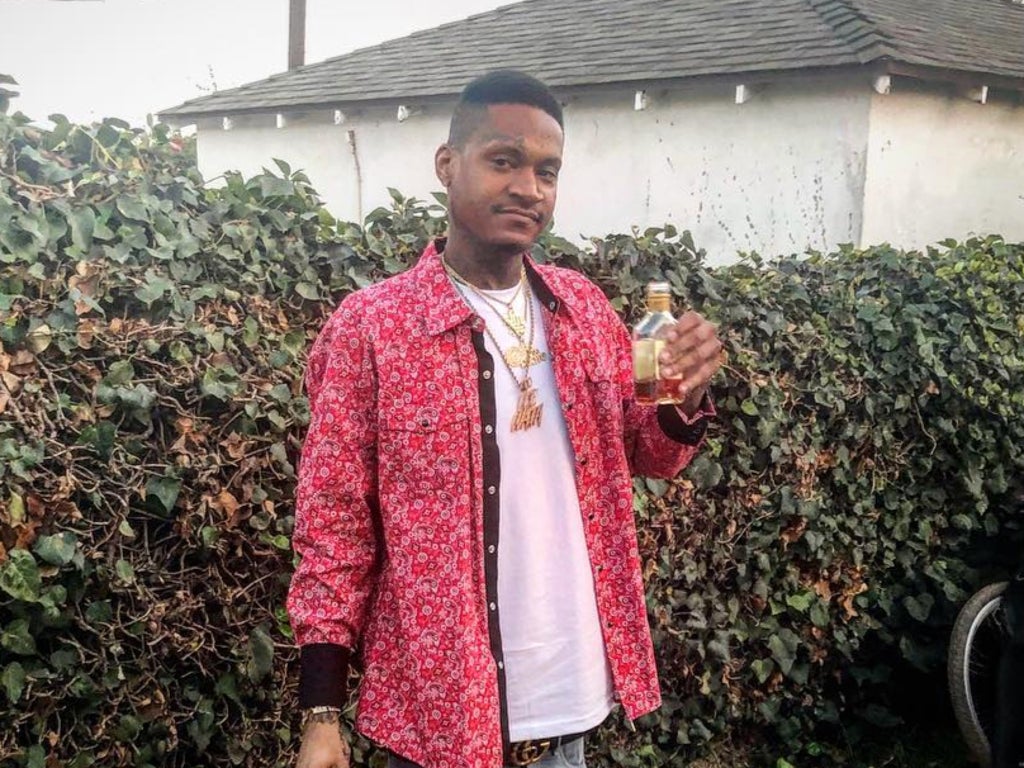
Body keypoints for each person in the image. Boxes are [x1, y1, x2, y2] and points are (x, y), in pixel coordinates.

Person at [288, 69, 722, 768]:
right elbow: (333, 522)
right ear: (447, 164)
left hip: (571, 705)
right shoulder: (374, 327)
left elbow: (649, 454)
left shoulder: (584, 310)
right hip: (441, 719)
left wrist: (685, 397)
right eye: (504, 161)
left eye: (547, 171)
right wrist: (321, 713)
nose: (529, 188)